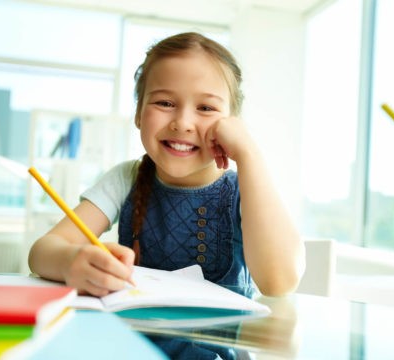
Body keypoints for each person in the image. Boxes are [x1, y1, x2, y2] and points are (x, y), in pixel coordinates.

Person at [28, 32, 305, 298]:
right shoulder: (126, 179)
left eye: (206, 108)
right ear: (138, 114)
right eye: (164, 102)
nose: (182, 123)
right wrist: (71, 261)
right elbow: (41, 252)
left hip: (218, 346)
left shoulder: (244, 189)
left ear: (232, 125)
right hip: (134, 342)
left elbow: (278, 283)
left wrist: (248, 154)